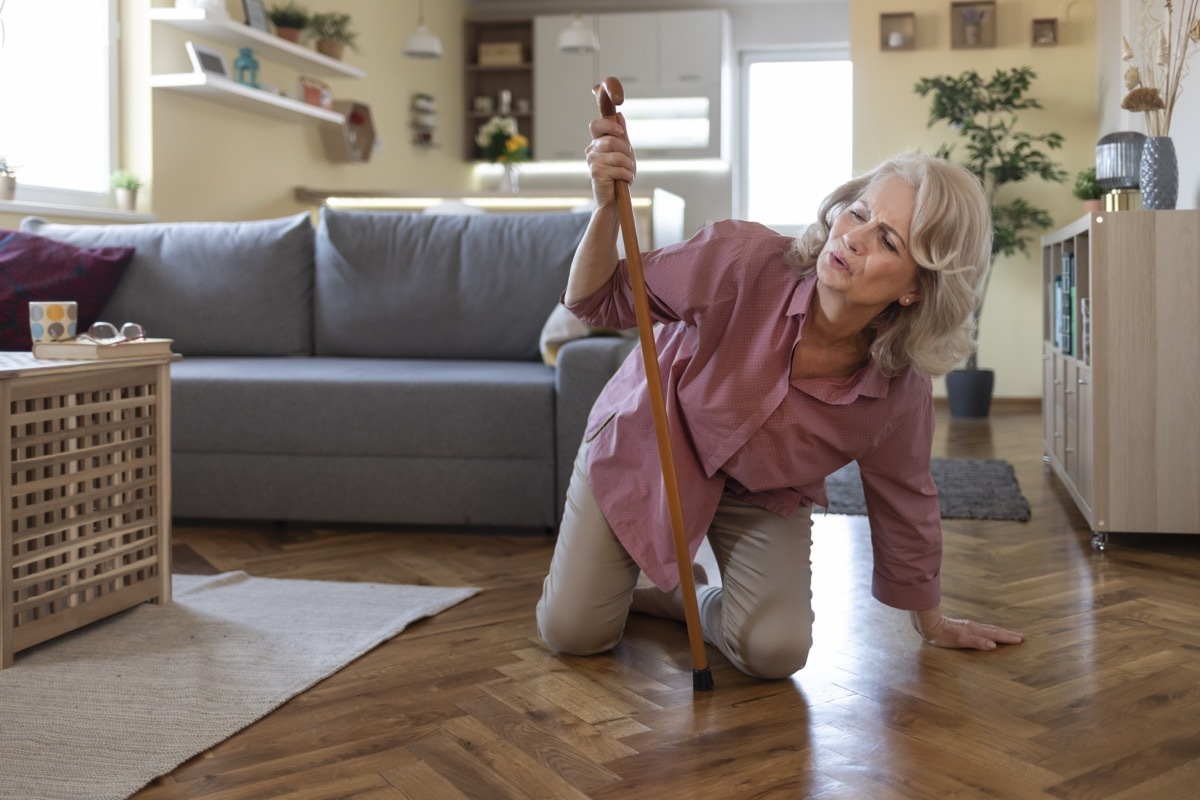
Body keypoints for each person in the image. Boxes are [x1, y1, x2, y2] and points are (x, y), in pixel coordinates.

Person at [536, 111, 1025, 680]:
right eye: (859, 213)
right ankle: (650, 587)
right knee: (574, 634)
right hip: (652, 445)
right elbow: (597, 300)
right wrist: (603, 208)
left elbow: (905, 500)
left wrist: (932, 623)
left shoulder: (898, 392)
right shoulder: (741, 260)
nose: (852, 238)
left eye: (887, 240)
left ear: (918, 287)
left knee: (775, 652)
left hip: (761, 493)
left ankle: (679, 598)